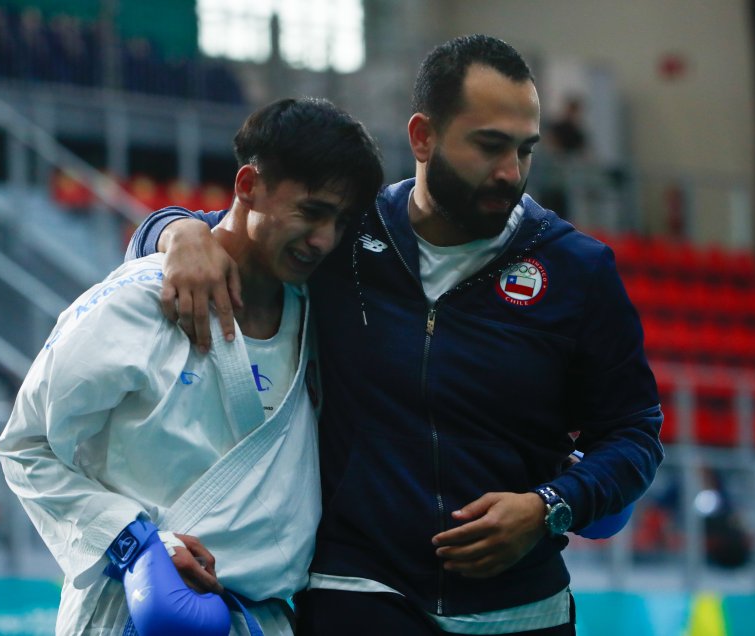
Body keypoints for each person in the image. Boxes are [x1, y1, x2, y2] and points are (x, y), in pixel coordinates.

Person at [128, 35, 664, 635]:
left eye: (524, 150)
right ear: (422, 137)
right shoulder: (344, 237)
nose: (511, 173)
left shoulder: (576, 269)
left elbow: (634, 434)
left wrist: (548, 508)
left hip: (522, 608)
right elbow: (222, 234)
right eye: (489, 146)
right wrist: (177, 234)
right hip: (358, 591)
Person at [0, 97, 383, 635]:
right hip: (137, 606)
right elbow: (25, 445)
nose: (324, 240)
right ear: (248, 186)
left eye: (340, 222)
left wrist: (178, 227)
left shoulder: (321, 315)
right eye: (311, 212)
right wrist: (133, 543)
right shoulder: (138, 301)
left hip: (263, 619)